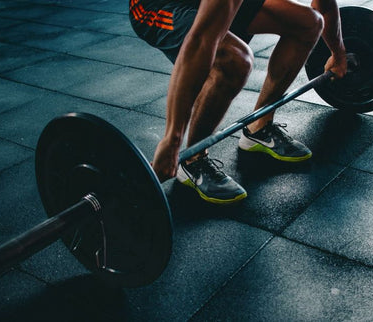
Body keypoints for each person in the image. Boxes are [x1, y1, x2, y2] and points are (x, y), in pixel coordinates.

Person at [129, 0, 347, 204]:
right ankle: (193, 160)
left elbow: (324, 6)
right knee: (235, 60)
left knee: (308, 23)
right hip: (158, 5)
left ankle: (258, 127)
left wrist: (338, 53)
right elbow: (201, 41)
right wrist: (172, 139)